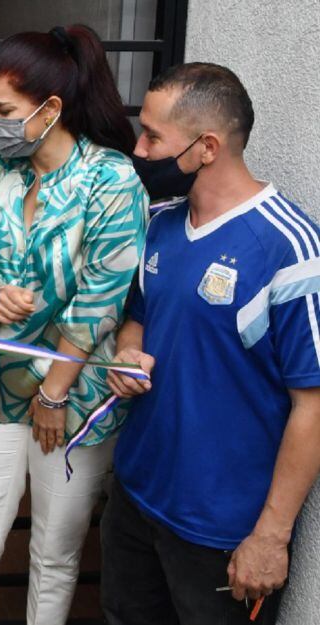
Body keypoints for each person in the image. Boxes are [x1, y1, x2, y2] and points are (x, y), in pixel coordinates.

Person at [0, 25, 148, 625]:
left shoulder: (111, 181)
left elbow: (100, 305)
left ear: (50, 109)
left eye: (5, 110)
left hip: (74, 401)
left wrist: (53, 394)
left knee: (55, 553)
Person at [103, 62, 320, 625]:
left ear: (206, 147)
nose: (139, 149)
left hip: (223, 536)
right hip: (136, 499)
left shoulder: (290, 250)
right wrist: (127, 353)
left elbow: (313, 406)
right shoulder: (159, 221)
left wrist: (271, 537)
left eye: (152, 136)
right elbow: (139, 318)